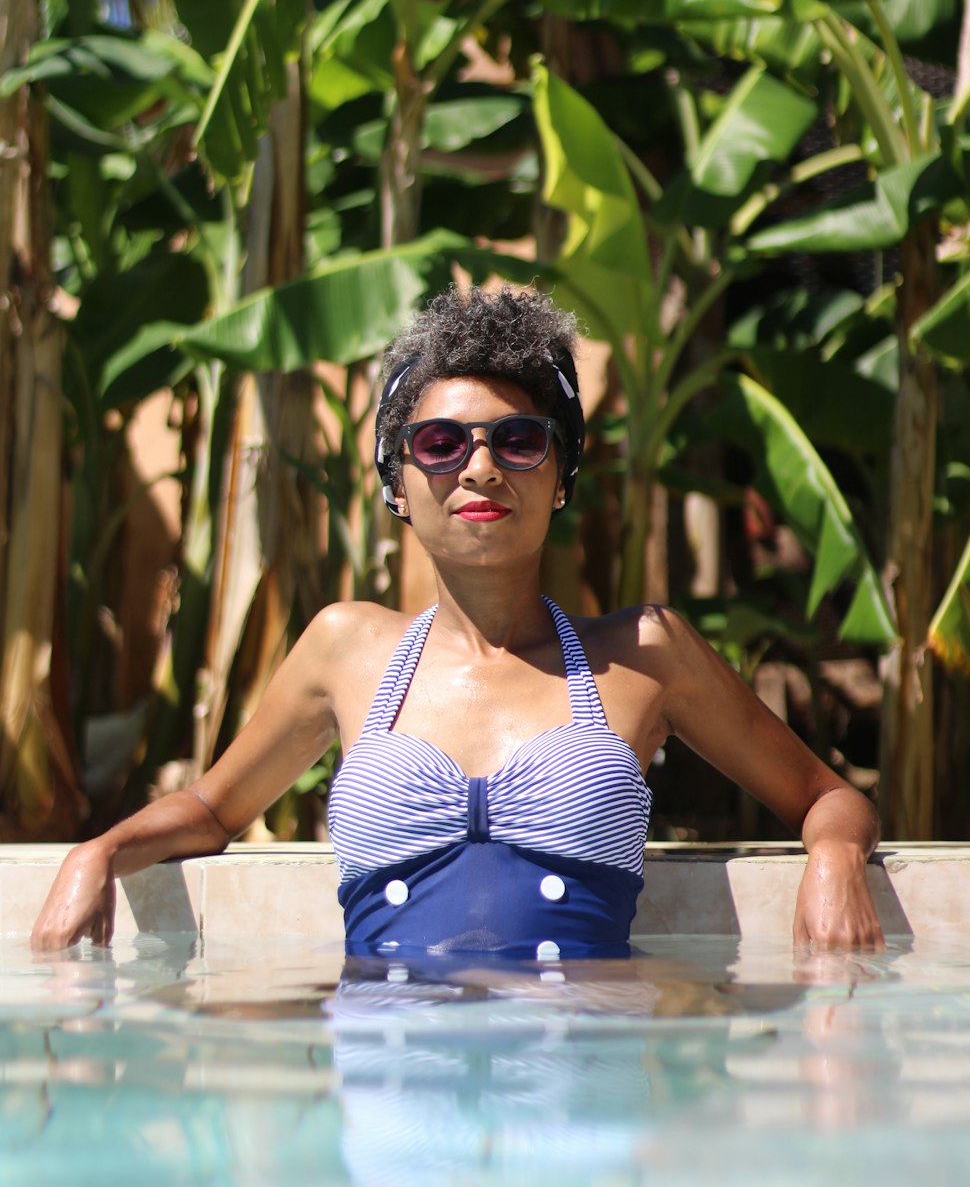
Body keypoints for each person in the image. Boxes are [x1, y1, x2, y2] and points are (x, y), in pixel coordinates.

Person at [31, 287, 884, 956]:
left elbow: (827, 798)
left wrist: (838, 858)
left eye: (518, 440)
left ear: (561, 476)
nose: (480, 467)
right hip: (395, 1076)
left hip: (575, 1080)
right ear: (399, 484)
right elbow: (213, 810)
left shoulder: (644, 655)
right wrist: (95, 853)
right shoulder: (344, 648)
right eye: (440, 444)